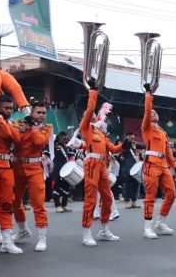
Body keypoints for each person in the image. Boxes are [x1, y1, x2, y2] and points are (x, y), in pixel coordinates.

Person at [78, 91, 122, 246]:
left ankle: (104, 229)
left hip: (102, 165)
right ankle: (87, 233)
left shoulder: (101, 133)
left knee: (108, 198)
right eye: (87, 113)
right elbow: (90, 109)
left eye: (92, 113)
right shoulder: (86, 128)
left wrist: (125, 144)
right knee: (90, 199)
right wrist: (93, 93)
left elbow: (113, 149)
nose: (90, 114)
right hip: (91, 164)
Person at [0, 95, 23, 255]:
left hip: (6, 167)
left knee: (7, 203)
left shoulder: (9, 124)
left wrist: (1, 120)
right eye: (6, 108)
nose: (9, 111)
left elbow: (16, 138)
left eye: (11, 108)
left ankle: (7, 241)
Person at [12, 102, 51, 251]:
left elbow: (38, 141)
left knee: (38, 204)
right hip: (17, 167)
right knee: (14, 201)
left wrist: (34, 127)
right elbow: (13, 138)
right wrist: (23, 127)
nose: (41, 115)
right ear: (31, 113)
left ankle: (42, 238)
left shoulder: (46, 128)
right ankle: (23, 230)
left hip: (34, 168)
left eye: (43, 113)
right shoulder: (19, 124)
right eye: (38, 112)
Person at [141, 91, 176, 239]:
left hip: (163, 165)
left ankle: (161, 222)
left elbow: (167, 150)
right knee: (150, 196)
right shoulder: (146, 126)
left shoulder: (162, 132)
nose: (154, 114)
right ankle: (147, 227)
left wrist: (174, 165)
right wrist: (149, 96)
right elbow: (148, 110)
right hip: (151, 164)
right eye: (152, 112)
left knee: (172, 194)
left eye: (156, 113)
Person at [49, 132, 74, 213]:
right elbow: (47, 152)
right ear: (59, 137)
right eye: (63, 137)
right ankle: (57, 205)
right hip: (57, 168)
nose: (64, 139)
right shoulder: (53, 146)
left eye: (66, 137)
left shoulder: (67, 146)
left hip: (66, 169)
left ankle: (64, 204)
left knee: (66, 187)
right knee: (57, 187)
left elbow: (71, 155)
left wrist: (70, 143)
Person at [120, 134, 140, 209]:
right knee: (127, 185)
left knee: (136, 183)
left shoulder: (134, 147)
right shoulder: (125, 146)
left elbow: (143, 146)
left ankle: (134, 201)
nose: (133, 140)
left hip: (135, 168)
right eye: (131, 138)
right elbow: (125, 144)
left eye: (133, 138)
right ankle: (127, 201)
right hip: (127, 168)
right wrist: (128, 139)